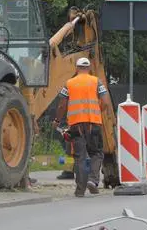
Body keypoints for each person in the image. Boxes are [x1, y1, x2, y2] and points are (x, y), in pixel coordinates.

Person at [52, 57, 110, 197]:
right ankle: (93, 180)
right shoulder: (97, 82)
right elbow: (106, 101)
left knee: (80, 157)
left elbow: (62, 105)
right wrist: (98, 110)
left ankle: (80, 190)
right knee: (96, 153)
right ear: (89, 68)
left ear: (76, 69)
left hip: (76, 125)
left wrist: (57, 120)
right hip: (94, 123)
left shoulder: (69, 83)